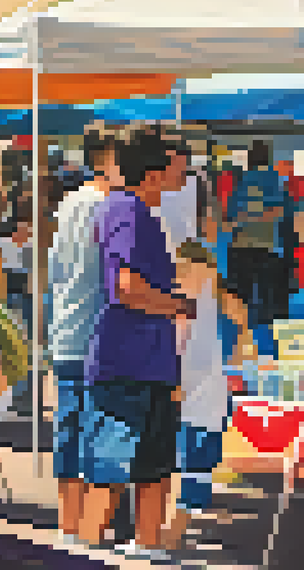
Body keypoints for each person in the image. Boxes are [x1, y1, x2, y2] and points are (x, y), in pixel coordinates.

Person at [79, 126, 197, 560]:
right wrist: (178, 305)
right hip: (126, 361)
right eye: (175, 166)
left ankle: (148, 544)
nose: (181, 175)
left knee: (154, 463)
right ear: (152, 174)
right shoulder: (126, 210)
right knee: (111, 466)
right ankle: (87, 551)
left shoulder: (134, 210)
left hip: (149, 362)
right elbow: (125, 287)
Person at [47, 125, 117, 546]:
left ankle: (69, 528)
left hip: (66, 332)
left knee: (69, 434)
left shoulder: (68, 203)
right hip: (99, 336)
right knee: (100, 434)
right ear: (106, 159)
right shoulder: (110, 206)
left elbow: (56, 270)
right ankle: (90, 535)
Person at [162, 240, 250, 551]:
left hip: (197, 393)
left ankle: (172, 534)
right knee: (195, 461)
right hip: (208, 392)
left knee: (190, 462)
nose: (179, 276)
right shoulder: (222, 302)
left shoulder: (198, 302)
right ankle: (177, 525)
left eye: (184, 270)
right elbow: (241, 349)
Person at [226, 139, 289, 355]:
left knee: (242, 303)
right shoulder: (274, 178)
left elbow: (231, 214)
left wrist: (243, 220)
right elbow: (279, 211)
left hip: (240, 247)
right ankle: (268, 353)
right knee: (267, 305)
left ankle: (242, 350)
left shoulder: (241, 179)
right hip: (266, 247)